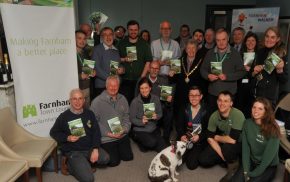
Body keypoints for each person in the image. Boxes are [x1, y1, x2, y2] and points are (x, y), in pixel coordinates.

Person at [50, 89, 109, 182]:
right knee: (88, 179)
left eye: (80, 98)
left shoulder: (89, 113)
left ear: (84, 100)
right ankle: (70, 165)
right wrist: (67, 138)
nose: (77, 102)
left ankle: (84, 163)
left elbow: (96, 132)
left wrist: (95, 149)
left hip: (89, 148)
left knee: (105, 159)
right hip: (74, 151)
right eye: (74, 99)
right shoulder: (64, 116)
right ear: (70, 101)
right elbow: (53, 132)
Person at [198, 91, 245, 182]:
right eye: (220, 100)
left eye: (226, 101)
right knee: (203, 160)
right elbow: (209, 138)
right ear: (217, 102)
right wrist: (223, 156)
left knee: (227, 148)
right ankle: (226, 159)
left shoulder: (238, 114)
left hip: (240, 143)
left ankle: (234, 165)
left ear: (231, 103)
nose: (222, 103)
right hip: (225, 142)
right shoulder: (214, 115)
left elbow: (232, 140)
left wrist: (217, 137)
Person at [231, 97, 280, 182]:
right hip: (252, 161)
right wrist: (246, 170)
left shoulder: (273, 129)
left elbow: (267, 158)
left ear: (266, 111)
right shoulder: (247, 123)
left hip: (268, 165)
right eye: (254, 107)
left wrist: (252, 174)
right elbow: (246, 149)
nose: (256, 110)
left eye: (260, 108)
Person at [200, 28, 246, 115]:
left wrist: (227, 76)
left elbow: (242, 72)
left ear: (228, 39)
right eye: (218, 40)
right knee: (212, 118)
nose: (221, 42)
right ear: (215, 40)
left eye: (223, 39)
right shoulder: (210, 53)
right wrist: (208, 76)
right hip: (213, 94)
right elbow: (202, 69)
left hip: (228, 95)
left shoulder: (235, 53)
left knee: (227, 120)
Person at [90, 76, 133, 167]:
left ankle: (117, 148)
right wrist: (108, 133)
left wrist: (124, 129)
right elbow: (94, 123)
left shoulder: (123, 99)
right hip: (107, 137)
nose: (113, 88)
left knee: (128, 157)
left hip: (121, 134)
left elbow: (127, 117)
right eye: (111, 86)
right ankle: (99, 149)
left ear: (119, 86)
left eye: (116, 86)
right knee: (114, 162)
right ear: (106, 86)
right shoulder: (97, 102)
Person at [169, 40, 207, 137]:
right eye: (189, 48)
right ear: (185, 49)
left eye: (193, 48)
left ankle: (195, 136)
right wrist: (171, 74)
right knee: (180, 116)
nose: (191, 50)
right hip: (181, 94)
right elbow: (173, 79)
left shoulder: (202, 61)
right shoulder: (178, 60)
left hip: (194, 95)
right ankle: (180, 135)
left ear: (197, 49)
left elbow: (204, 79)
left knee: (194, 116)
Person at [136, 61, 174, 143]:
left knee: (169, 111)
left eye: (156, 68)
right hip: (146, 106)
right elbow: (136, 98)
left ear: (159, 70)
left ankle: (166, 137)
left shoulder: (164, 80)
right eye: (152, 68)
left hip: (159, 106)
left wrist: (168, 100)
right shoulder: (142, 80)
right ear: (149, 69)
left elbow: (166, 99)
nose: (154, 70)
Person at [251, 26, 288, 106]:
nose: (269, 40)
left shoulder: (281, 54)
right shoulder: (260, 52)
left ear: (278, 39)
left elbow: (284, 80)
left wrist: (280, 70)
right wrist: (254, 71)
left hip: (269, 99)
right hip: (256, 95)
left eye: (272, 37)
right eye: (267, 36)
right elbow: (252, 74)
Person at [118, 20, 153, 104]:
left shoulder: (144, 44)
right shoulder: (121, 43)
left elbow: (148, 61)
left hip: (139, 80)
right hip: (124, 80)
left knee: (139, 103)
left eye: (135, 30)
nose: (133, 32)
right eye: (131, 29)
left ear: (139, 30)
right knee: (125, 103)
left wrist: (142, 78)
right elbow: (115, 58)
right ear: (127, 30)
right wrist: (123, 59)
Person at [130, 77, 166, 152]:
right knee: (151, 143)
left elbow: (160, 113)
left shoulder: (156, 99)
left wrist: (156, 116)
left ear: (150, 88)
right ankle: (136, 138)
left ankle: (148, 141)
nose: (144, 90)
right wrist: (141, 122)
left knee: (162, 147)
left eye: (146, 88)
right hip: (140, 129)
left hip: (153, 127)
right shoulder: (135, 102)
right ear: (139, 89)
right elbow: (132, 119)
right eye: (141, 88)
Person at [180, 86, 208, 170]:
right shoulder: (183, 108)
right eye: (191, 95)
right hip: (186, 138)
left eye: (196, 95)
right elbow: (179, 125)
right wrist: (182, 135)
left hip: (199, 140)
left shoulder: (206, 110)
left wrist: (199, 137)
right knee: (178, 161)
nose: (194, 98)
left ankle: (192, 151)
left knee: (191, 165)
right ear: (188, 96)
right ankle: (187, 151)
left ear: (201, 96)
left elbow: (209, 130)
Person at [92, 27, 124, 97]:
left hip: (115, 85)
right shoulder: (97, 49)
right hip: (102, 86)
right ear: (102, 37)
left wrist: (122, 69)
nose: (108, 37)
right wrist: (111, 80)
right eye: (105, 35)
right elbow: (96, 68)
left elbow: (119, 64)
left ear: (113, 36)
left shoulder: (116, 50)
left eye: (110, 34)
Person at [235, 32, 259, 118]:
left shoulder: (259, 56)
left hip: (252, 89)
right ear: (245, 42)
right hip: (240, 88)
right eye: (248, 40)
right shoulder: (239, 55)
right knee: (238, 111)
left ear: (256, 42)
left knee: (250, 112)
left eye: (253, 40)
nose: (250, 42)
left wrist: (252, 71)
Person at [75, 30, 96, 107]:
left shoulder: (85, 52)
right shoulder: (69, 55)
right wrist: (80, 76)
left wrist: (92, 72)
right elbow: (65, 75)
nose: (82, 41)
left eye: (84, 39)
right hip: (77, 89)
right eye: (79, 38)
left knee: (86, 113)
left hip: (87, 88)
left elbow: (87, 69)